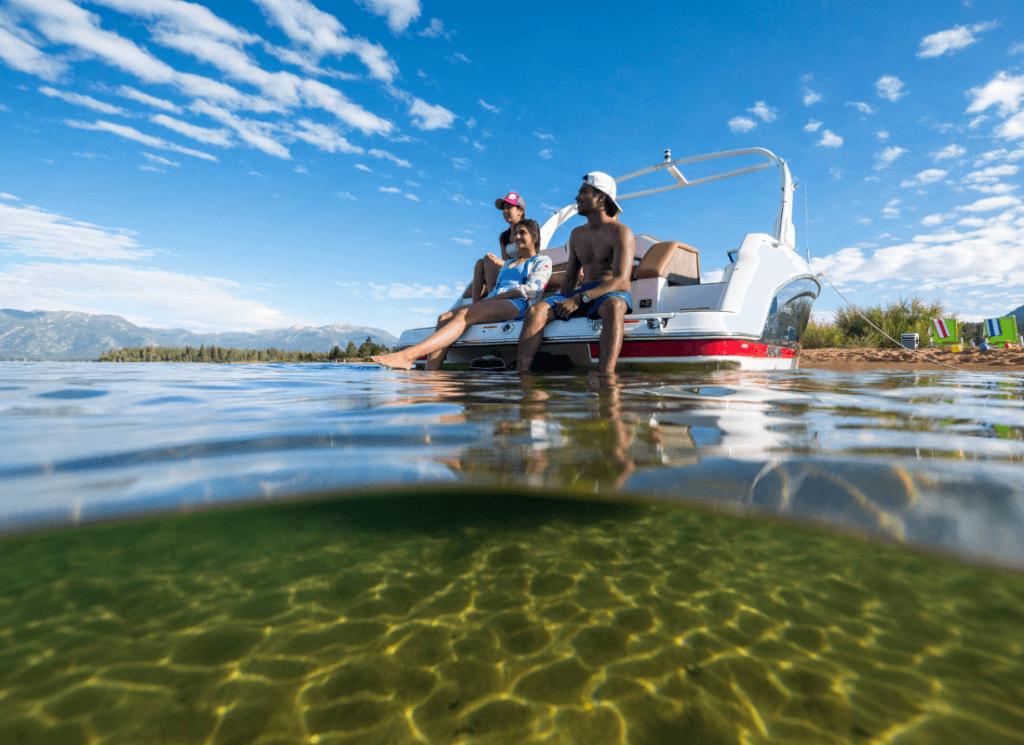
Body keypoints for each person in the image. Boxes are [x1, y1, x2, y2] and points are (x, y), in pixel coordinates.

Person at [375, 219, 552, 370]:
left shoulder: (541, 261)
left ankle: (408, 356)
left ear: (534, 237)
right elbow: (497, 288)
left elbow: (535, 288)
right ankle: (431, 374)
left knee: (464, 313)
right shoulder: (508, 264)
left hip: (518, 304)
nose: (517, 236)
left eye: (522, 233)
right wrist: (492, 298)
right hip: (496, 302)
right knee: (443, 317)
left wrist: (497, 297)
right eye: (515, 233)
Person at [517, 172, 635, 375]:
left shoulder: (622, 232)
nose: (576, 197)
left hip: (610, 292)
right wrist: (562, 303)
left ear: (600, 197)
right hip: (582, 293)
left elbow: (622, 281)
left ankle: (606, 378)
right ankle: (522, 377)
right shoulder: (577, 235)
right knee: (536, 311)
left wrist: (580, 299)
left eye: (583, 192)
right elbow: (570, 278)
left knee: (615, 306)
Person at [471, 192, 528, 302]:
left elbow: (528, 259)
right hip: (510, 268)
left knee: (490, 262)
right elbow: (506, 261)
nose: (505, 211)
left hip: (524, 269)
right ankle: (475, 304)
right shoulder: (504, 237)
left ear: (520, 211)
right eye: (504, 209)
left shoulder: (527, 231)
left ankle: (493, 300)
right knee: (480, 262)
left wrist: (496, 261)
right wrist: (495, 259)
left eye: (509, 207)